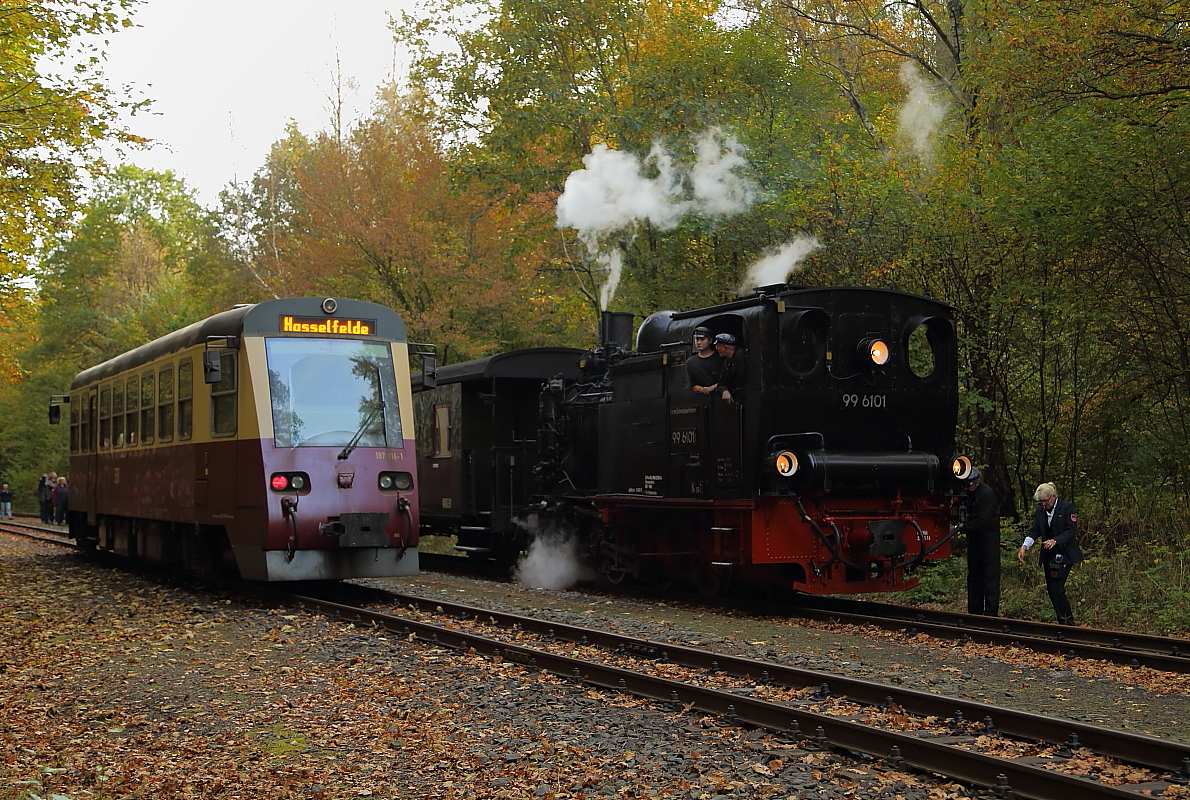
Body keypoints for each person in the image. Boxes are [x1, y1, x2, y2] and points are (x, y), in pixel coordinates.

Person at [1018, 482, 1082, 625]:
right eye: (1040, 502)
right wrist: (1025, 546)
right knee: (1051, 590)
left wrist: (1056, 540)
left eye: (1045, 501)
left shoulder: (1066, 508)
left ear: (1053, 497)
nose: (1043, 504)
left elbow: (1071, 530)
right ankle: (1062, 621)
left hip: (1064, 554)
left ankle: (1068, 622)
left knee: (1057, 588)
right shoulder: (1040, 511)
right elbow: (1035, 530)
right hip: (1049, 556)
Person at [954, 467, 1001, 616]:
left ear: (977, 482)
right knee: (974, 576)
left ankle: (991, 612)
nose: (966, 488)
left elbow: (983, 522)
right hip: (974, 539)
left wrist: (959, 528)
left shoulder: (986, 494)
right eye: (964, 485)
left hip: (988, 540)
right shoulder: (965, 494)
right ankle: (974, 611)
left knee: (990, 576)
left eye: (969, 485)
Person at [686, 326, 722, 395]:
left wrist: (711, 387)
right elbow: (693, 384)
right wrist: (702, 389)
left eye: (702, 339)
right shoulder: (691, 362)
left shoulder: (719, 357)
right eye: (697, 339)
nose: (699, 342)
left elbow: (726, 379)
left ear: (710, 341)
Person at [714, 333, 746, 403]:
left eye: (718, 346)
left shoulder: (741, 357)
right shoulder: (727, 362)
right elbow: (722, 382)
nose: (716, 348)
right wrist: (724, 391)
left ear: (725, 347)